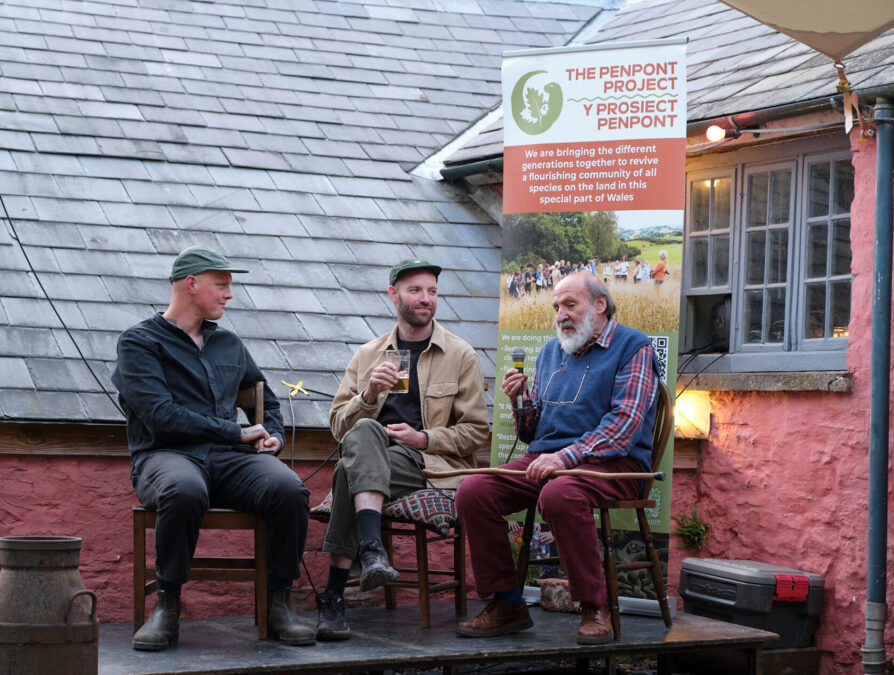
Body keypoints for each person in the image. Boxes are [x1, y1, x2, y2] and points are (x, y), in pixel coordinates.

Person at [113, 246, 314, 651]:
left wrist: (272, 434)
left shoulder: (230, 345)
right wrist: (236, 433)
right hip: (164, 456)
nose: (229, 295)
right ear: (191, 284)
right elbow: (160, 416)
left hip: (227, 460)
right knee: (184, 490)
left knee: (290, 490)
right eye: (221, 285)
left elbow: (267, 400)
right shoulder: (139, 342)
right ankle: (166, 605)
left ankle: (279, 602)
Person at [455, 272, 660, 645]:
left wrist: (565, 457)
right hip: (552, 460)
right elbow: (533, 432)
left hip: (615, 462)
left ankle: (594, 606)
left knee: (560, 494)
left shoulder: (634, 346)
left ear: (599, 305)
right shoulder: (553, 350)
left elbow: (624, 425)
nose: (561, 315)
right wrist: (520, 402)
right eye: (556, 307)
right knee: (474, 490)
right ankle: (507, 603)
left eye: (570, 304)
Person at [318, 258, 488, 641]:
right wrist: (368, 395)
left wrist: (423, 438)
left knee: (350, 470)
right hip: (375, 457)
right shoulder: (368, 355)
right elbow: (337, 428)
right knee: (361, 434)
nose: (425, 299)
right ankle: (369, 553)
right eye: (415, 290)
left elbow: (476, 432)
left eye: (432, 291)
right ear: (394, 295)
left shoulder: (461, 355)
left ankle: (339, 589)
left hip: (430, 463)